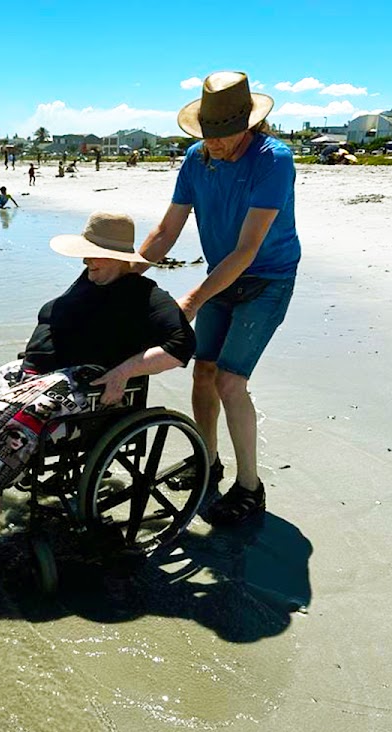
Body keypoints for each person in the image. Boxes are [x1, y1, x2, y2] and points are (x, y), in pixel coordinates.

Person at [0, 211, 196, 599]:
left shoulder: (146, 296)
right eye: (86, 254)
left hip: (78, 385)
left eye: (97, 255)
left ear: (124, 259)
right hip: (32, 373)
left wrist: (123, 372)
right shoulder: (90, 279)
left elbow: (181, 347)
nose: (88, 262)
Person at [137, 71, 300, 527]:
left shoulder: (273, 160)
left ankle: (251, 486)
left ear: (247, 125)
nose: (214, 143)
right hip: (221, 280)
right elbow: (166, 230)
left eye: (223, 135)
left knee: (230, 380)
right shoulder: (197, 159)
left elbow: (247, 251)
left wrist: (190, 300)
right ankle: (207, 461)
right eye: (206, 134)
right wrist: (123, 274)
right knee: (202, 371)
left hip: (267, 279)